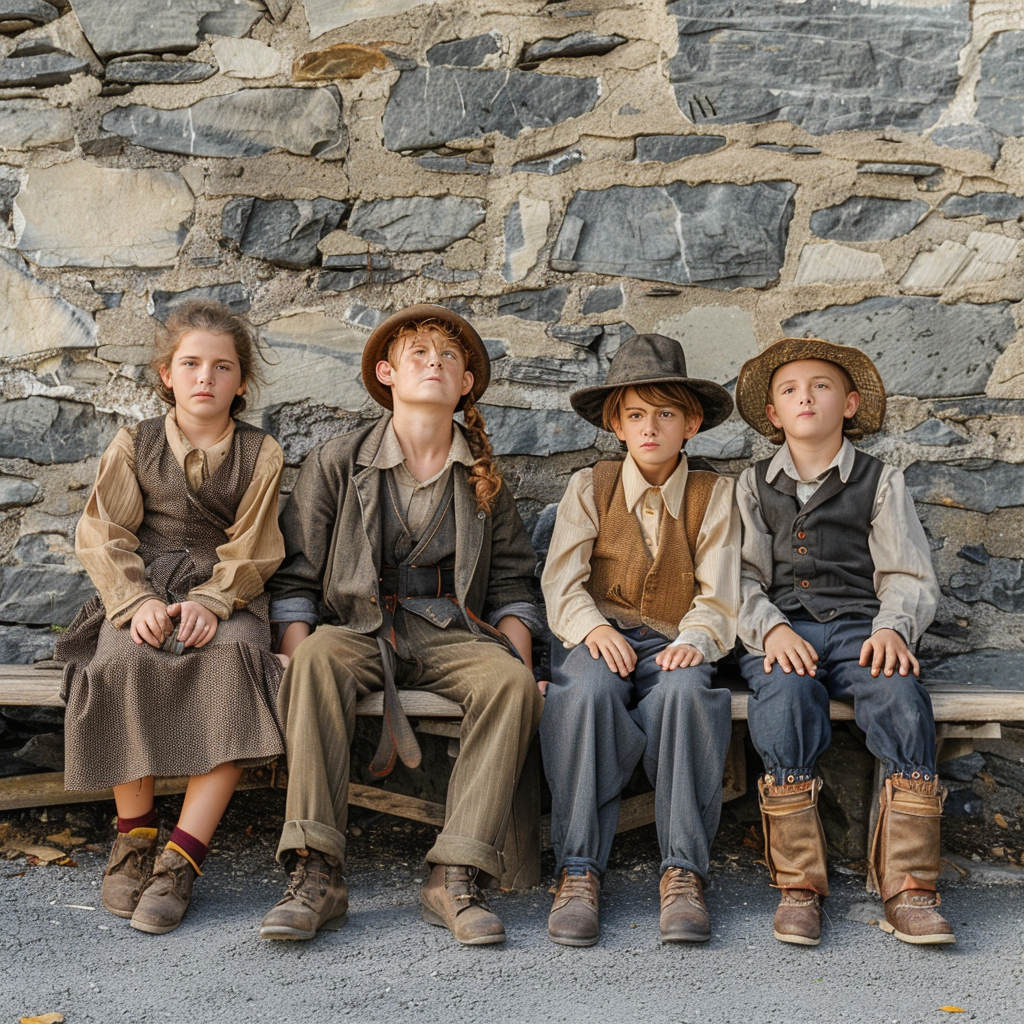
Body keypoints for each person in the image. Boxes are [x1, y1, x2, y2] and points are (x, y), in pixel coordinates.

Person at [259, 303, 545, 947]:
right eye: (419, 354)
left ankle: (456, 872)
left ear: (466, 384)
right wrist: (293, 654)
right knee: (316, 659)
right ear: (387, 373)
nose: (435, 365)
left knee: (510, 685)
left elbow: (511, 586)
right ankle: (317, 872)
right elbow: (298, 575)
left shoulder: (483, 477)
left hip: (452, 629)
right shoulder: (340, 460)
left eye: (450, 358)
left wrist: (523, 666)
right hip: (359, 626)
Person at [55, 300, 286, 934]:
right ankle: (134, 840)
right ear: (166, 373)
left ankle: (182, 857)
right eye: (191, 364)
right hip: (144, 585)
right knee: (123, 657)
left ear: (241, 381)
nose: (205, 377)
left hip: (224, 592)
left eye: (222, 366)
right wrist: (133, 604)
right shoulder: (136, 443)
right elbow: (103, 531)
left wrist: (214, 601)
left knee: (235, 661)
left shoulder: (261, 453)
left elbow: (255, 546)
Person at [734, 337, 951, 947]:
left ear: (850, 403)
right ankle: (800, 885)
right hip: (784, 630)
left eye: (822, 386)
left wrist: (892, 628)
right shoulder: (751, 485)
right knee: (784, 696)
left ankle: (910, 885)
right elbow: (739, 578)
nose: (806, 396)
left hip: (862, 626)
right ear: (774, 415)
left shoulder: (881, 482)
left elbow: (907, 573)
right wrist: (770, 628)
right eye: (790, 390)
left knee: (900, 695)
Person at [540, 333, 739, 946]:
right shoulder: (589, 487)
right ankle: (578, 869)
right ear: (617, 425)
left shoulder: (716, 495)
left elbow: (721, 588)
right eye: (635, 415)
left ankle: (682, 871)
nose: (650, 427)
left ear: (692, 424)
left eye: (665, 413)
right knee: (583, 697)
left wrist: (699, 638)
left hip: (676, 638)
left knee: (686, 696)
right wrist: (594, 628)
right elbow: (561, 581)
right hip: (599, 636)